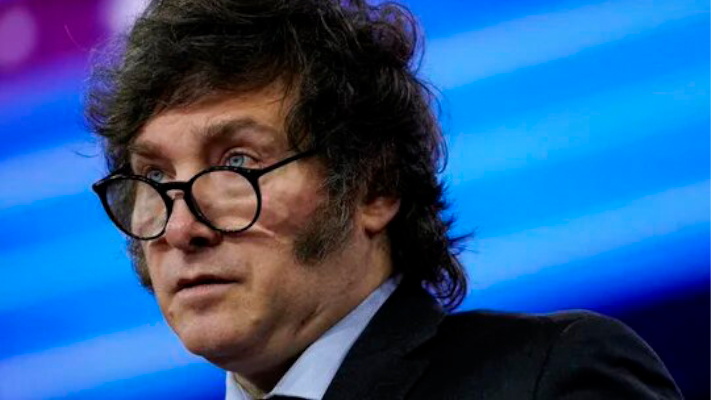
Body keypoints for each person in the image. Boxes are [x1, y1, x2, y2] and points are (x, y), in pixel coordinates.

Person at [86, 0, 683, 399]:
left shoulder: (549, 378)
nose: (180, 227)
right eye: (154, 175)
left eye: (238, 163)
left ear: (375, 187)